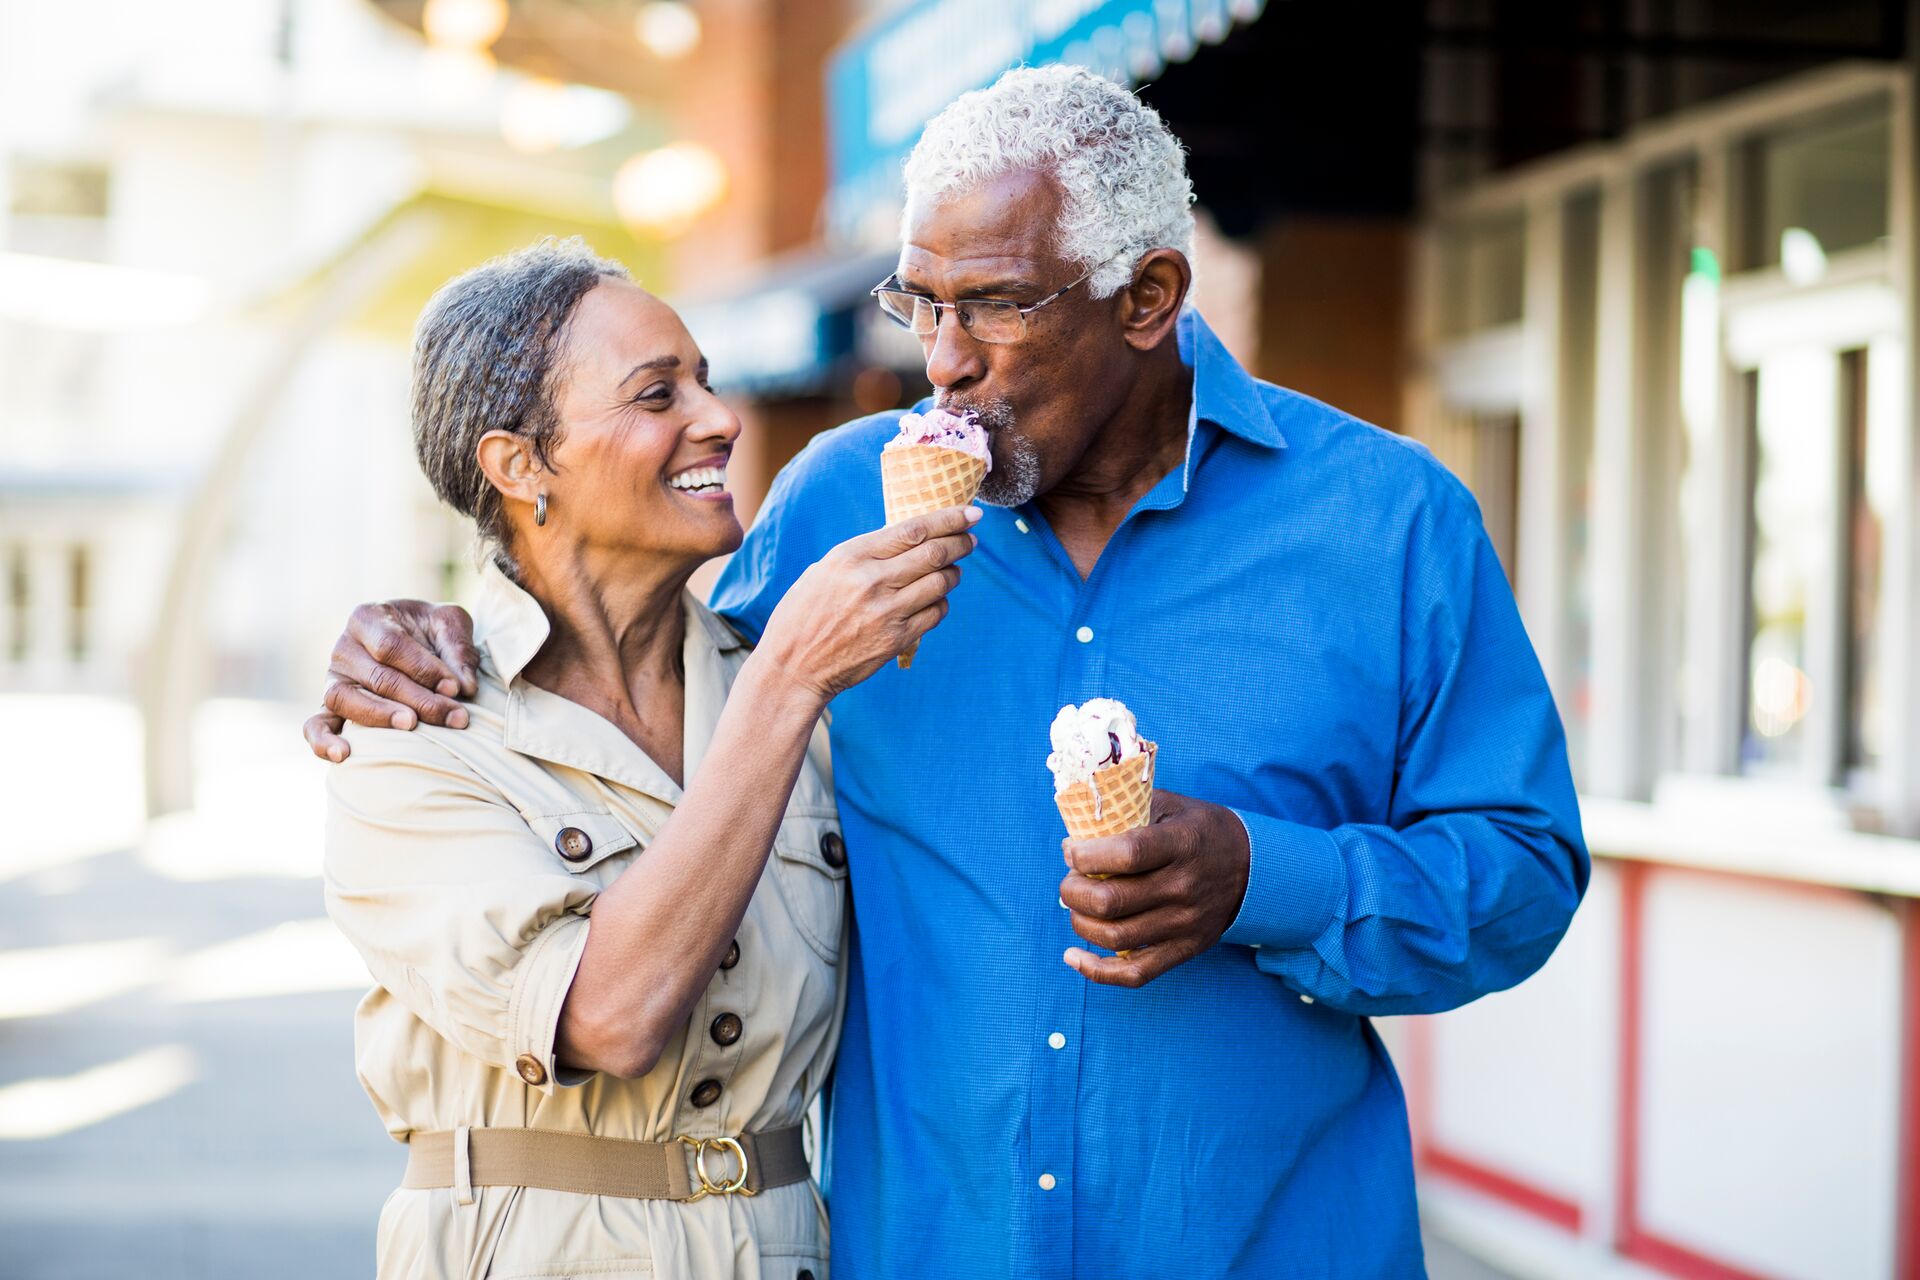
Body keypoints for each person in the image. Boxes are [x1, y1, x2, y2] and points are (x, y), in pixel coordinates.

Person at [309, 67, 1587, 1278]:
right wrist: (432, 633)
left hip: (1267, 1242)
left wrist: (1269, 876)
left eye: (996, 305)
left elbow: (1524, 872)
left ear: (1147, 297)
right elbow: (635, 684)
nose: (945, 358)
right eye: (920, 301)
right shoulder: (832, 512)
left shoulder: (1389, 523)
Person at [320, 238, 976, 1279]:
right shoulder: (415, 733)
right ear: (520, 464)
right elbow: (606, 1015)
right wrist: (792, 683)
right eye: (656, 393)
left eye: (707, 383)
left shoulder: (788, 682)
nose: (719, 419)